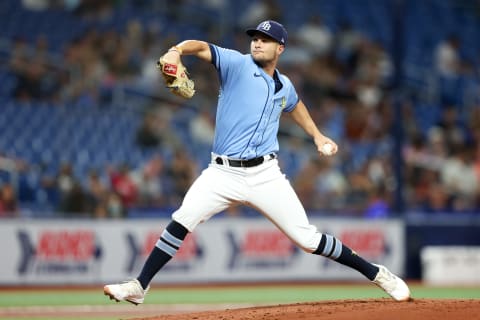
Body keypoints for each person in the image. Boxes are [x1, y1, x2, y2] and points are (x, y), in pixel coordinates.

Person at [103, 20, 410, 305]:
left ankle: (376, 273)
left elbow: (295, 105)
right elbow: (200, 46)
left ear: (281, 49)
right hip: (222, 173)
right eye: (256, 38)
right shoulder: (236, 64)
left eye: (267, 40)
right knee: (181, 220)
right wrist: (176, 50)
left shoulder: (284, 85)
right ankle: (140, 286)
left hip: (265, 175)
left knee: (307, 239)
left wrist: (317, 135)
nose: (258, 43)